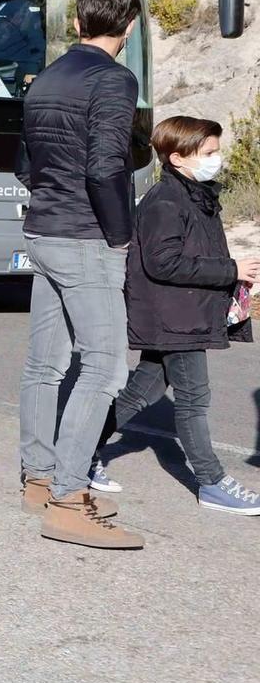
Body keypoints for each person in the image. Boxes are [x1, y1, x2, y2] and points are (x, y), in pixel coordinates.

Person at [16, 0, 144, 548]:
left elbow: (25, 162)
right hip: (86, 237)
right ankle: (69, 495)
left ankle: (39, 480)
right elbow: (106, 167)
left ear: (75, 25)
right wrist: (120, 235)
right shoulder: (114, 80)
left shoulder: (46, 77)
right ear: (131, 26)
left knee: (46, 365)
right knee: (106, 366)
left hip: (42, 229)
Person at [109, 116, 260, 514]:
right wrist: (232, 269)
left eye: (217, 150)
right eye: (209, 153)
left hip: (178, 313)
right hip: (175, 316)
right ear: (177, 158)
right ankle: (212, 483)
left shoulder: (194, 195)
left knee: (143, 391)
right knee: (194, 400)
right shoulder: (167, 202)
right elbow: (164, 263)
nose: (217, 159)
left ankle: (78, 454)